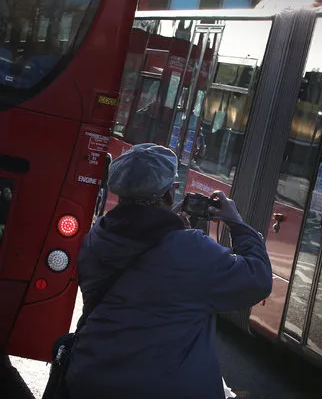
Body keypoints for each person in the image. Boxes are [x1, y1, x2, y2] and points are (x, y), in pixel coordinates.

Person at [65, 143, 272, 399]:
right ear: (171, 192)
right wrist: (237, 224)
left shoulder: (98, 235)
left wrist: (169, 225)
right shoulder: (189, 248)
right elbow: (257, 279)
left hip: (90, 378)